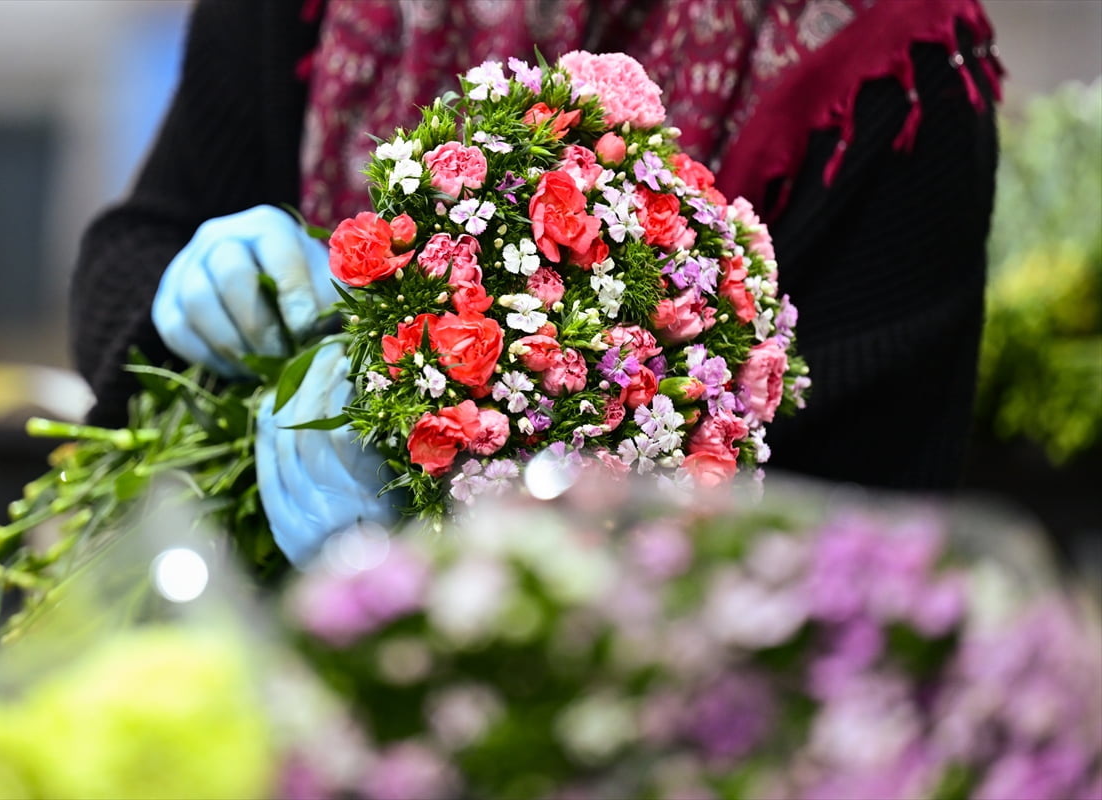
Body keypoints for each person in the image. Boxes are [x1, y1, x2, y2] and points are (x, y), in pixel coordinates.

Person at [70, 0, 1002, 562]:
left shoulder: (893, 67)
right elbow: (135, 242)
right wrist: (185, 301)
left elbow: (856, 546)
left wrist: (460, 524)